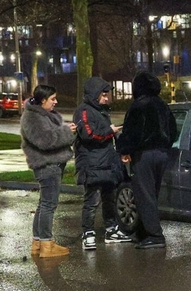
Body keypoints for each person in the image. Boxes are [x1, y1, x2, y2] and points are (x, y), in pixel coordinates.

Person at [116, 71, 178, 250]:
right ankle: (144, 231)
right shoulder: (162, 106)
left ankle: (154, 235)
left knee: (144, 193)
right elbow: (173, 130)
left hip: (144, 155)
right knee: (152, 193)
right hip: (162, 153)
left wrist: (124, 149)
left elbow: (131, 133)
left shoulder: (138, 106)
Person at [74, 76, 131, 250]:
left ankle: (111, 229)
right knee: (92, 200)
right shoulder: (83, 111)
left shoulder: (101, 111)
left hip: (107, 163)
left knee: (109, 198)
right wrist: (110, 130)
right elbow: (89, 135)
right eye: (104, 95)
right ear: (94, 94)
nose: (107, 98)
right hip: (92, 164)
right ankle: (88, 233)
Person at [20, 84, 77, 258]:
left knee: (44, 203)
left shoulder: (40, 115)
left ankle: (38, 242)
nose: (56, 102)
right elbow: (45, 140)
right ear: (43, 100)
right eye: (52, 99)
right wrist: (66, 132)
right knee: (48, 205)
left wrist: (65, 130)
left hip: (49, 164)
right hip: (47, 165)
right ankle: (46, 243)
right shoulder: (32, 117)